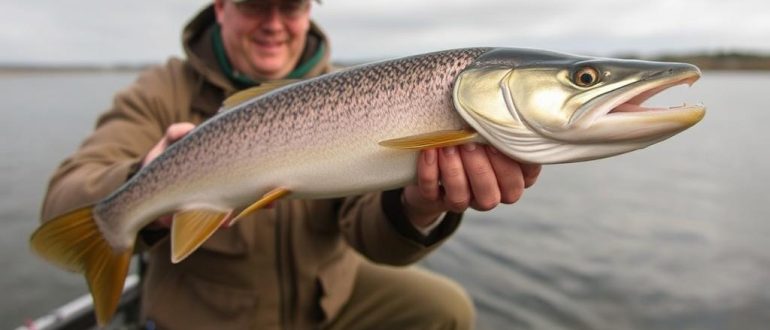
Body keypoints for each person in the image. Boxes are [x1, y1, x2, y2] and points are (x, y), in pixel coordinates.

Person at [40, 0, 542, 329]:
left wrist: (419, 206)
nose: (275, 23)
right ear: (220, 7)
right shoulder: (160, 91)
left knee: (445, 309)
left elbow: (370, 238)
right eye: (257, 4)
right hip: (208, 315)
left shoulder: (355, 92)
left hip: (324, 305)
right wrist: (142, 185)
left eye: (292, 5)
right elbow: (64, 195)